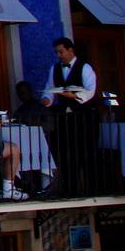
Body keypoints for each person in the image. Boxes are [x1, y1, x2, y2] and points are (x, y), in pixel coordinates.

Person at [42, 37, 99, 193]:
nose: (59, 56)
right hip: (65, 119)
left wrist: (74, 96)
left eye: (61, 52)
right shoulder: (55, 69)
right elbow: (50, 88)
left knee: (86, 154)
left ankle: (90, 189)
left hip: (84, 118)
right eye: (57, 53)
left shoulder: (85, 68)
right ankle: (70, 189)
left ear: (70, 50)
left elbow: (90, 90)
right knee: (67, 154)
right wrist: (47, 99)